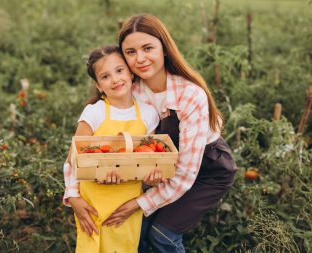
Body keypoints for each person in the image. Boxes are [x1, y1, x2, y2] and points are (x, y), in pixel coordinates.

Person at [102, 14, 238, 253]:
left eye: (147, 48)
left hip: (207, 170)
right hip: (165, 166)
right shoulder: (130, 92)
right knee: (137, 232)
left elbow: (185, 173)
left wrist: (139, 202)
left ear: (164, 48)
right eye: (130, 52)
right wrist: (143, 175)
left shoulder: (190, 95)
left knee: (162, 235)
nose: (140, 59)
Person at [62, 45, 160, 252]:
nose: (115, 80)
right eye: (105, 76)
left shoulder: (148, 114)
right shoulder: (94, 113)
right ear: (98, 85)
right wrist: (74, 198)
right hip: (93, 202)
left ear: (131, 73)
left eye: (119, 70)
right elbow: (72, 158)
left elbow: (148, 159)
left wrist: (149, 178)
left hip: (127, 201)